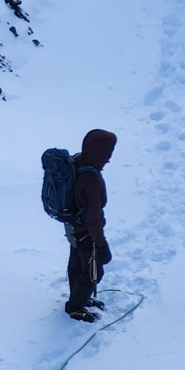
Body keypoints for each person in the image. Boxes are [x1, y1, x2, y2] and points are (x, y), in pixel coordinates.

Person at [64, 129, 116, 322]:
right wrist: (101, 245)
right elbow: (93, 218)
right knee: (92, 272)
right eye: (107, 153)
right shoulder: (91, 179)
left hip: (72, 227)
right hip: (86, 232)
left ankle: (79, 298)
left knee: (76, 265)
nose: (108, 158)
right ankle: (75, 308)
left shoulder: (76, 161)